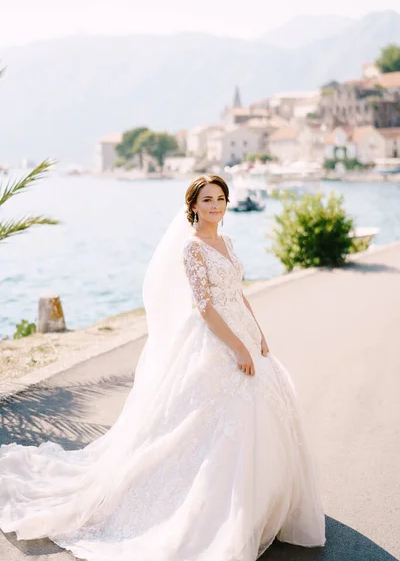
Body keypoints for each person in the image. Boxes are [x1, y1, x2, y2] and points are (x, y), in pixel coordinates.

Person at [0, 174, 326, 560]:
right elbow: (205, 307)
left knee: (267, 410)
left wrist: (258, 334)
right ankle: (218, 507)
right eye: (207, 200)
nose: (215, 206)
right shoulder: (192, 249)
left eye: (221, 199)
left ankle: (265, 502)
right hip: (216, 338)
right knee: (214, 421)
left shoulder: (228, 241)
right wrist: (238, 346)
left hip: (243, 331)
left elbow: (237, 294)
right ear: (193, 206)